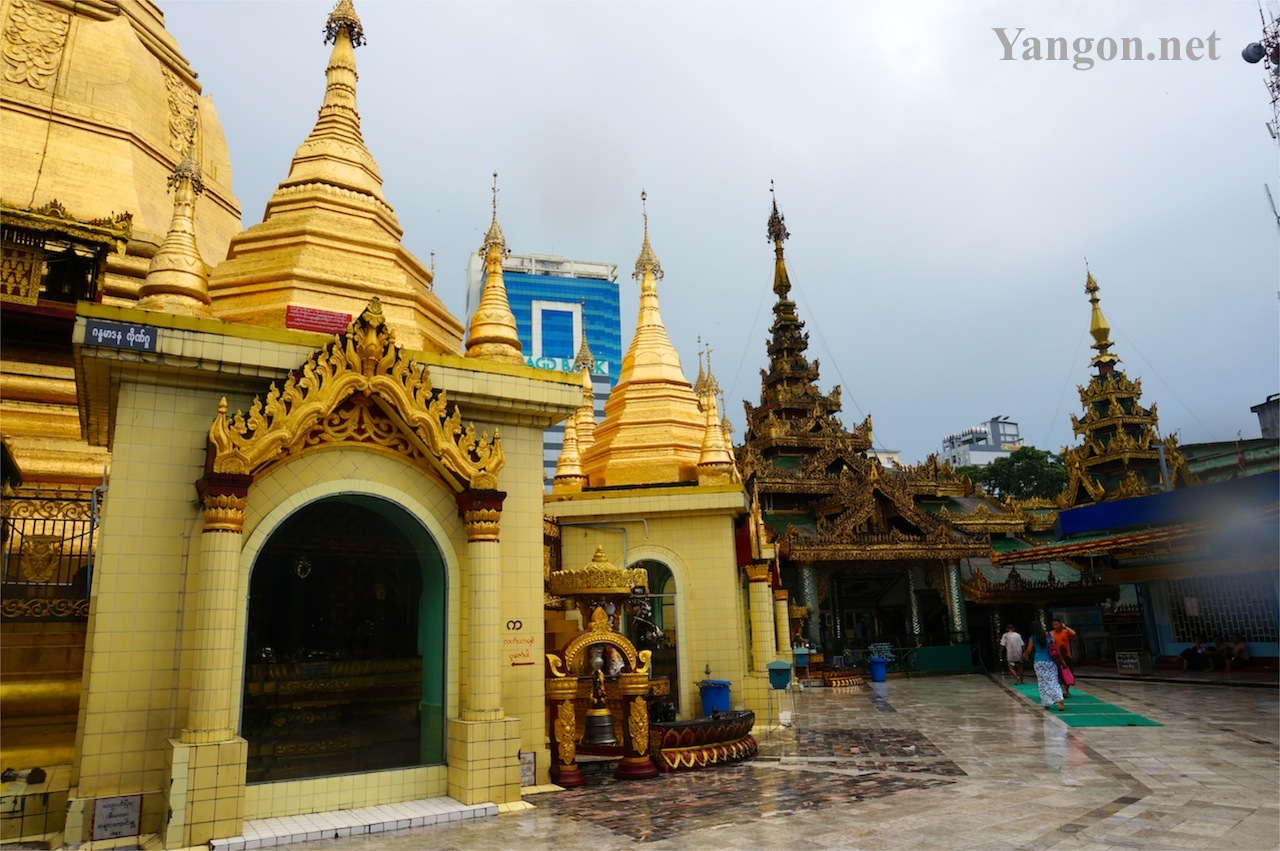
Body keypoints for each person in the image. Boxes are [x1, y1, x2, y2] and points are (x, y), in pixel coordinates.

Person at [1023, 621, 1064, 711]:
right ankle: (1059, 697)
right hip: (1050, 661)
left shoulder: (1033, 638)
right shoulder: (1049, 636)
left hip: (1039, 661)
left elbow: (1029, 650)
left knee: (1042, 682)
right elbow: (1055, 647)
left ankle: (1046, 702)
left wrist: (1025, 655)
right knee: (1053, 680)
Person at [1050, 619, 1076, 697]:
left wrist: (1065, 627)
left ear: (1060, 624)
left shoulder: (1065, 632)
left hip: (1067, 655)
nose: (1055, 627)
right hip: (1057, 656)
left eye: (1057, 625)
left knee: (1068, 673)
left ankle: (1067, 690)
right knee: (1059, 674)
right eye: (1053, 625)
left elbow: (1074, 633)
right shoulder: (1051, 634)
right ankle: (1062, 691)